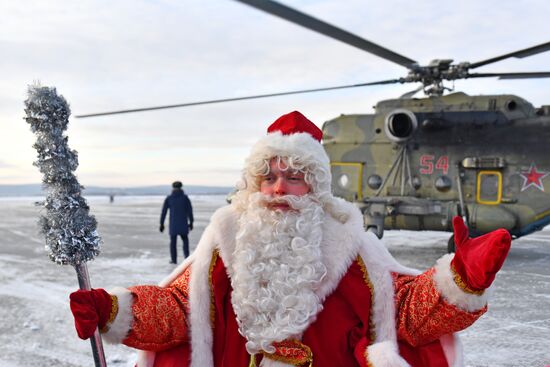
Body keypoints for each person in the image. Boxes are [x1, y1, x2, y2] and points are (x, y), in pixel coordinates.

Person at [69, 111, 511, 367]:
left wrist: (459, 279)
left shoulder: (352, 245)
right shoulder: (226, 239)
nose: (279, 189)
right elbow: (180, 310)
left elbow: (408, 314)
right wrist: (114, 310)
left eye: (295, 177)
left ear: (315, 187)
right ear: (253, 184)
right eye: (269, 177)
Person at [160, 181, 194, 263]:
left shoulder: (169, 198)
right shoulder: (185, 198)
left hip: (173, 224)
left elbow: (164, 212)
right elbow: (190, 211)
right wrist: (191, 222)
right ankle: (187, 259)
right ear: (181, 187)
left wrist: (161, 224)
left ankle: (174, 260)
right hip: (183, 224)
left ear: (173, 188)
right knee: (185, 241)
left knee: (173, 243)